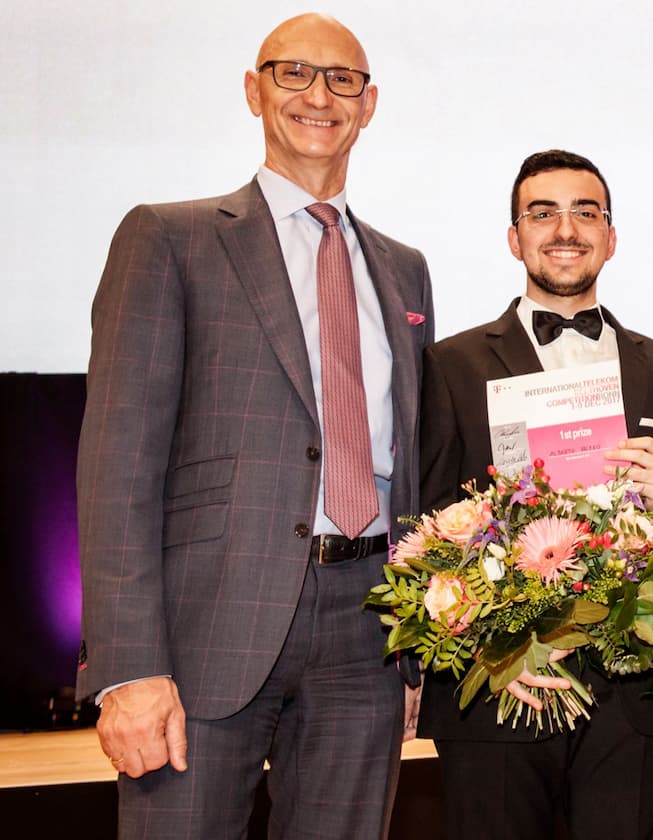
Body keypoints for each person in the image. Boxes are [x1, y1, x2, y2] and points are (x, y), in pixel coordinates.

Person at [76, 13, 433, 837]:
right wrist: (128, 667)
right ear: (253, 89)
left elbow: (406, 465)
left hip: (367, 627)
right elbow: (116, 466)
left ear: (369, 104)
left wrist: (413, 648)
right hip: (209, 627)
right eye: (294, 73)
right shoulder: (170, 239)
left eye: (342, 80)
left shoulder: (402, 266)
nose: (319, 96)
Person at [415, 149, 653, 839]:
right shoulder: (450, 365)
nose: (564, 229)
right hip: (502, 687)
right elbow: (422, 524)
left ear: (611, 235)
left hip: (629, 695)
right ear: (514, 237)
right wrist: (493, 652)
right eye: (543, 213)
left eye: (584, 212)